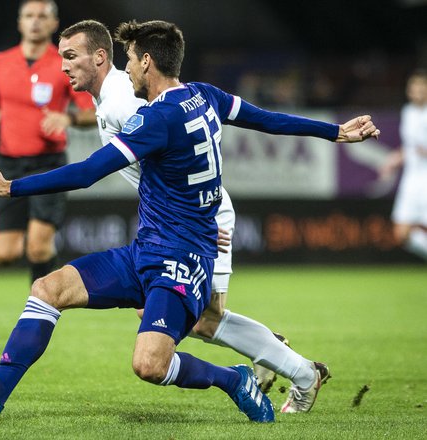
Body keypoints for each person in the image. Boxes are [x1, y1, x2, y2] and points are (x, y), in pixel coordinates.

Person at [0, 20, 379, 424]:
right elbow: (266, 119)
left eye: (129, 58)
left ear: (144, 61)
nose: (125, 67)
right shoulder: (204, 94)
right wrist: (334, 131)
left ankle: (248, 377)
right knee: (48, 288)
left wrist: (11, 188)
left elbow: (90, 171)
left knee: (167, 351)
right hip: (156, 241)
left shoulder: (151, 116)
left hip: (187, 243)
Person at [56, 19, 333, 413]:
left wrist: (201, 223)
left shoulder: (127, 98)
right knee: (204, 318)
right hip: (191, 216)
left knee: (204, 319)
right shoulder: (116, 98)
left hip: (201, 215)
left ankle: (296, 369)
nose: (64, 66)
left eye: (70, 56)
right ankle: (287, 360)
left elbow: (165, 132)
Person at [0, 0, 95, 283]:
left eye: (42, 16)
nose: (35, 21)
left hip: (48, 163)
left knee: (37, 247)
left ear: (54, 23)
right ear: (19, 22)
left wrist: (69, 119)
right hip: (8, 163)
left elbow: (91, 111)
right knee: (4, 253)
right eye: (28, 15)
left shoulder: (65, 64)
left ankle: (44, 303)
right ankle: (47, 271)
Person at [379, 69, 427, 260]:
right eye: (413, 87)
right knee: (401, 233)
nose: (417, 91)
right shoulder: (407, 112)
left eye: (421, 87)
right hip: (411, 179)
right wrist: (393, 160)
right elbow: (410, 147)